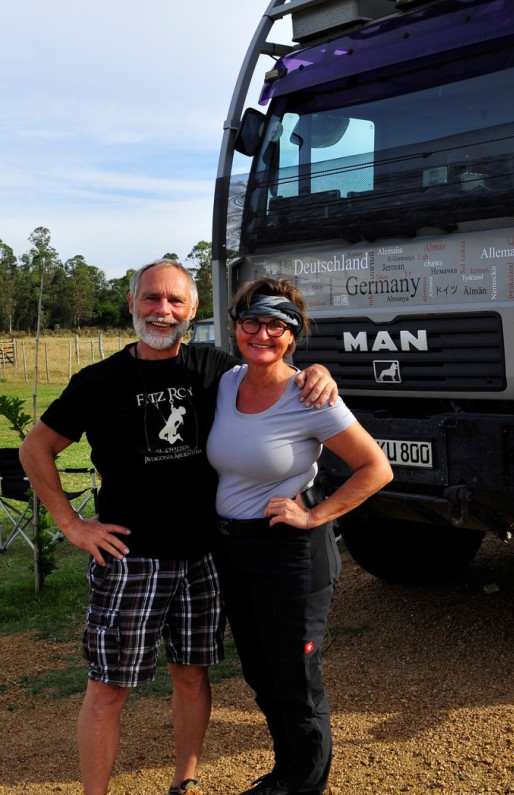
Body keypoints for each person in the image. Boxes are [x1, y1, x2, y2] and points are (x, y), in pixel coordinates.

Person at [17, 260, 338, 795]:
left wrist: (318, 371)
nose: (162, 311)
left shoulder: (216, 369)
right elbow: (35, 449)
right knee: (108, 688)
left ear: (193, 310)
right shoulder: (99, 381)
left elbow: (273, 364)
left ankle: (184, 781)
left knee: (191, 676)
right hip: (130, 558)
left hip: (205, 556)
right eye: (151, 298)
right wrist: (71, 524)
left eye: (174, 301)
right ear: (132, 304)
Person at [208, 277, 393, 795]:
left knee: (296, 680)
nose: (262, 334)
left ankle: (305, 785)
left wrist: (315, 516)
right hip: (234, 550)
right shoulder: (226, 382)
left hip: (290, 554)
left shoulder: (310, 395)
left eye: (276, 325)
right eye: (252, 322)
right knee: (261, 674)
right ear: (236, 327)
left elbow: (376, 468)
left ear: (293, 335)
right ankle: (284, 775)